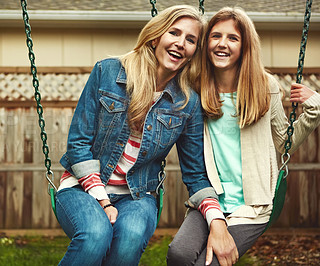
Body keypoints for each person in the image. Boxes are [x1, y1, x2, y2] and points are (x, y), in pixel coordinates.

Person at [55, 5, 228, 266]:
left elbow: (195, 174)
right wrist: (103, 200)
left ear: (194, 52)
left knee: (129, 239)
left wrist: (217, 219)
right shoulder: (108, 72)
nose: (181, 43)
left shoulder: (187, 104)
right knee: (95, 235)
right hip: (81, 187)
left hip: (138, 195)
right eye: (174, 33)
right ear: (156, 36)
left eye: (190, 40)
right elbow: (78, 144)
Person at [167, 6, 320, 266]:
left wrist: (315, 108)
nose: (222, 44)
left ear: (245, 45)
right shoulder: (196, 86)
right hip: (210, 197)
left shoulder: (265, 86)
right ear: (206, 43)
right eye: (215, 36)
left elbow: (284, 143)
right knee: (179, 254)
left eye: (232, 38)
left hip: (251, 206)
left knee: (212, 263)